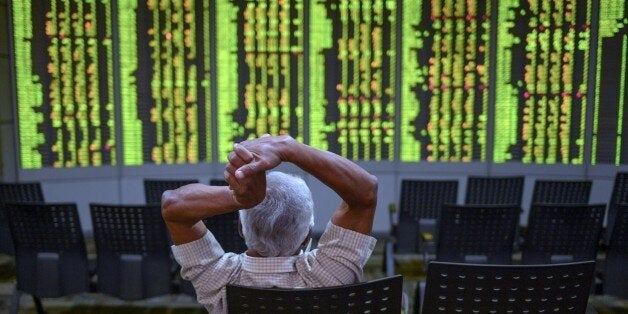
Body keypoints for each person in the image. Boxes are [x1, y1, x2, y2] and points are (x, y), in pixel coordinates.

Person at [161, 135, 378, 313]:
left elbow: (173, 205)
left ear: (241, 230)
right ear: (306, 236)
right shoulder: (331, 275)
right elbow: (365, 192)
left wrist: (240, 199)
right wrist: (288, 148)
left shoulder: (219, 282)